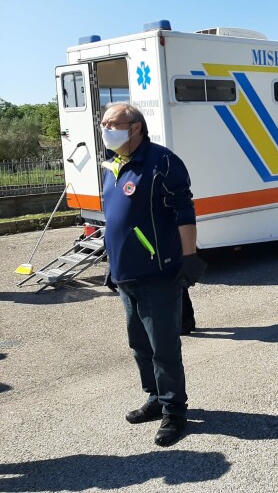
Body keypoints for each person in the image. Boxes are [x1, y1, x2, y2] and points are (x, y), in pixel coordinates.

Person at [101, 102, 206, 447]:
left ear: (135, 128)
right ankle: (154, 398)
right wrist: (112, 263)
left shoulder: (161, 162)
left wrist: (189, 257)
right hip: (126, 276)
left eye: (111, 124)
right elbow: (116, 221)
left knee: (164, 347)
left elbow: (184, 211)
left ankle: (174, 411)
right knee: (139, 345)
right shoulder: (115, 166)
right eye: (103, 123)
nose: (105, 129)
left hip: (158, 273)